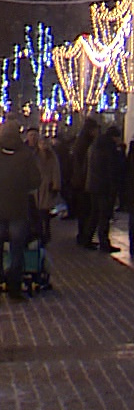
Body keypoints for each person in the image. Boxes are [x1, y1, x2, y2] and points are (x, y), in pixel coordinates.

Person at [0, 121, 40, 299]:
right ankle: (14, 288)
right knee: (17, 250)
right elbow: (35, 181)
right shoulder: (25, 154)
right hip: (18, 208)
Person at [84, 126, 124, 253]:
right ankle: (104, 242)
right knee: (104, 215)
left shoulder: (96, 145)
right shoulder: (110, 148)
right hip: (105, 187)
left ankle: (87, 238)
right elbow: (113, 168)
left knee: (95, 213)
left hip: (94, 185)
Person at [25, 128, 61, 246]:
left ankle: (43, 234)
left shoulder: (47, 153)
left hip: (43, 187)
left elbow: (55, 169)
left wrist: (55, 185)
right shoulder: (24, 151)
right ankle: (34, 233)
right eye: (31, 136)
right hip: (29, 187)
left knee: (43, 212)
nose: (33, 138)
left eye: (35, 136)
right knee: (30, 213)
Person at [70, 118, 99, 247]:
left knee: (84, 211)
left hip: (80, 181)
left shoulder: (80, 143)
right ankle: (84, 237)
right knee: (87, 211)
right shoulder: (87, 145)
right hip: (84, 182)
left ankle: (83, 236)